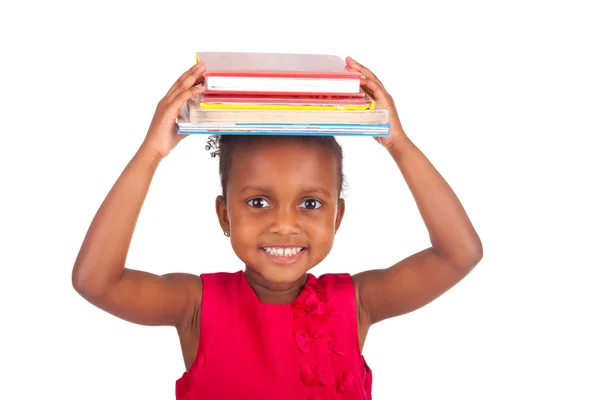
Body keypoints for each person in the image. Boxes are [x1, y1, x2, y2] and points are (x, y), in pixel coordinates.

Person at [72, 56, 483, 400]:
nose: (284, 225)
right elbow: (96, 282)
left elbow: (459, 254)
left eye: (310, 204)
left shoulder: (355, 303)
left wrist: (398, 143)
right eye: (257, 202)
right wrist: (151, 153)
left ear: (337, 218)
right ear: (224, 216)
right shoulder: (195, 306)